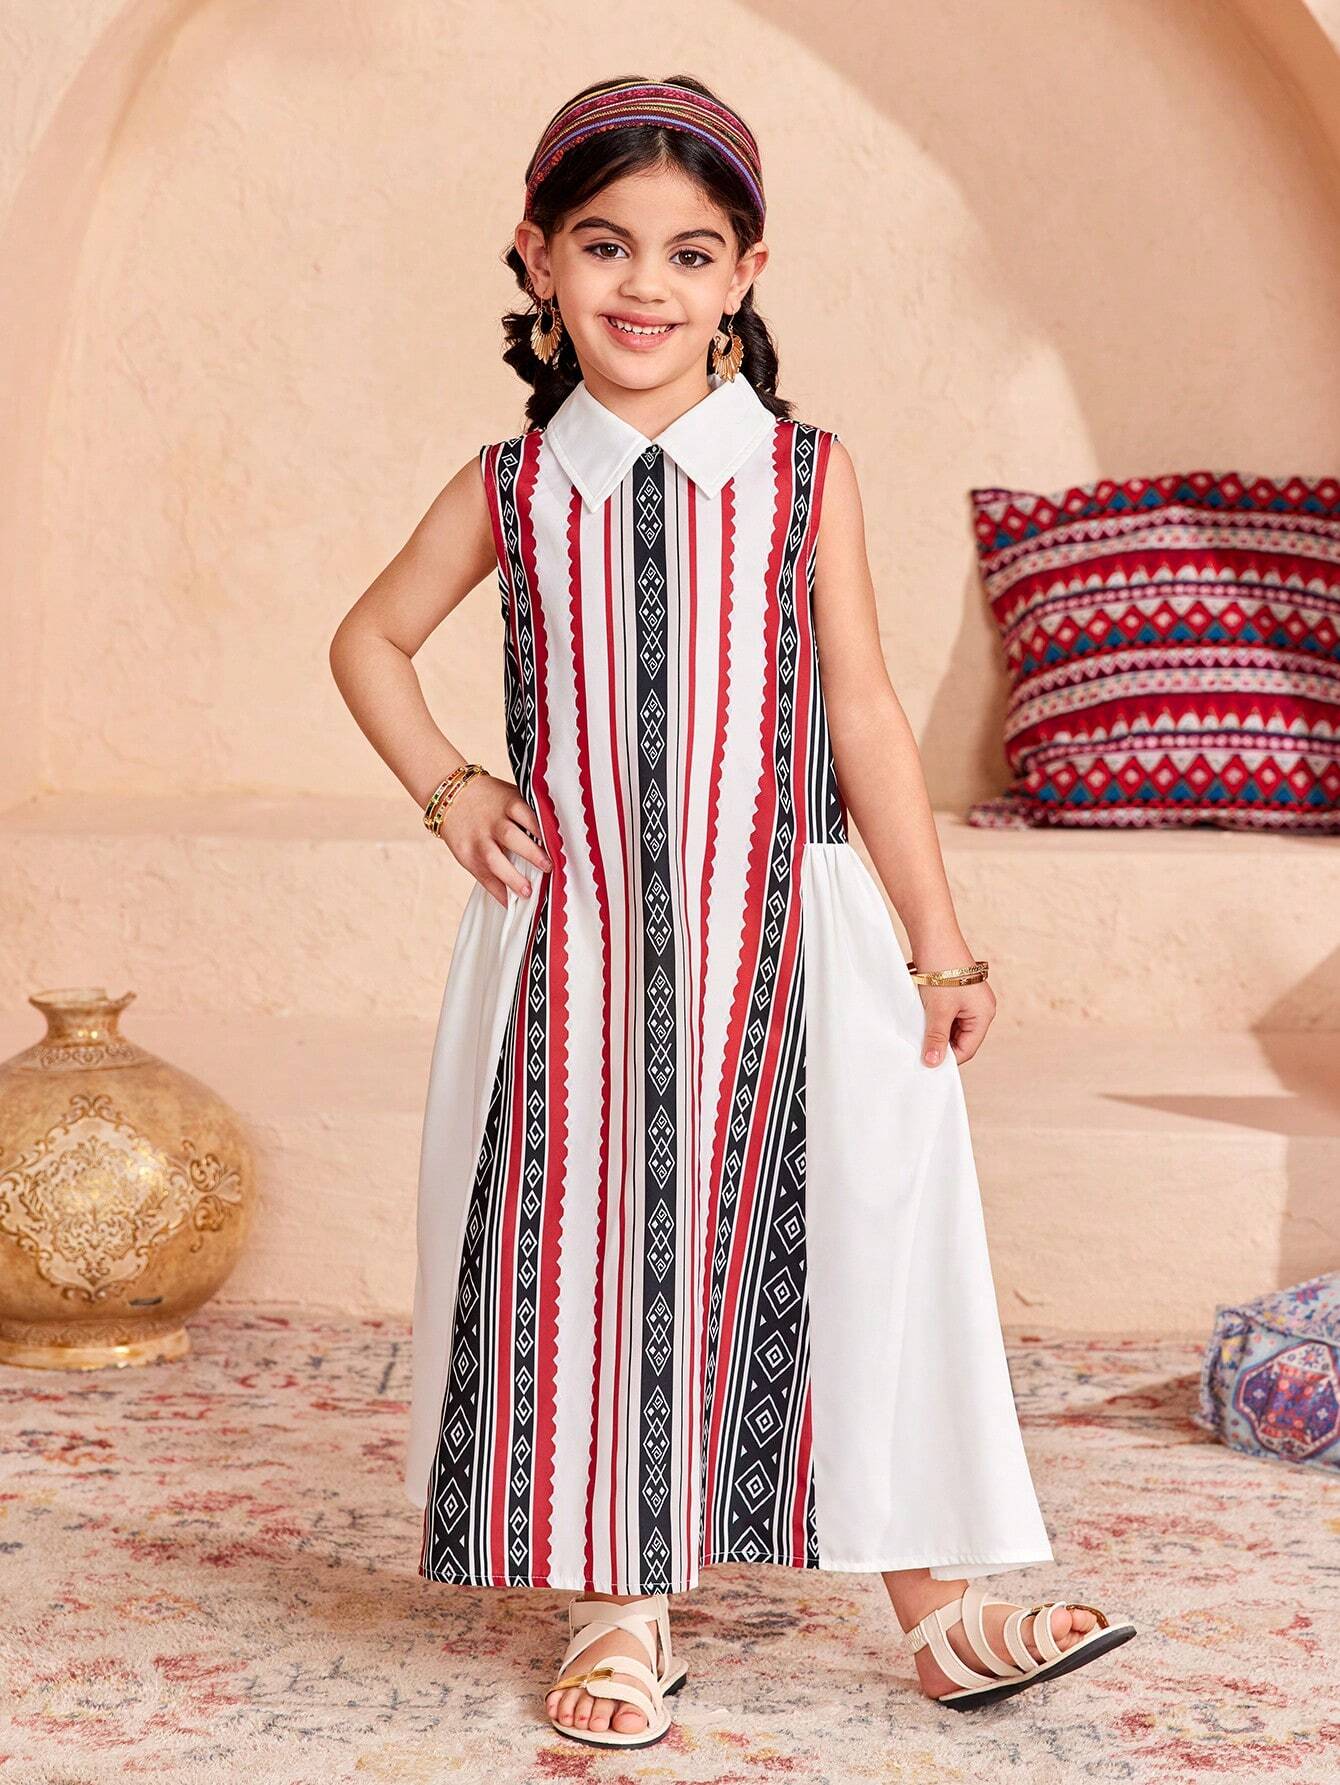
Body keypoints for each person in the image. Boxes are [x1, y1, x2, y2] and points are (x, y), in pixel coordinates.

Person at [328, 71, 1138, 1750]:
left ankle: (938, 1608)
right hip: (577, 956)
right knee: (590, 1251)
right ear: (538, 258)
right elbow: (368, 640)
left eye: (690, 254)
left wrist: (941, 941)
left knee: (859, 1234)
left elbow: (867, 716)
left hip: (794, 934)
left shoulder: (802, 475)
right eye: (605, 245)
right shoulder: (509, 487)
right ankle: (618, 1609)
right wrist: (450, 787)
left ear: (747, 273)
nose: (646, 285)